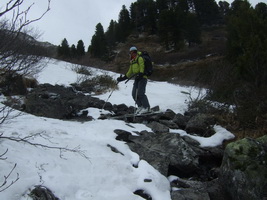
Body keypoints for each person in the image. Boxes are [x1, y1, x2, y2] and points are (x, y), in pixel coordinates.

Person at [117, 46, 150, 114]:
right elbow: (129, 72)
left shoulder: (140, 58)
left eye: (133, 52)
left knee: (141, 93)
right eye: (131, 52)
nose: (132, 54)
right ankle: (140, 106)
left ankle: (146, 107)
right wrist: (122, 78)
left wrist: (140, 74)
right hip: (137, 78)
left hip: (143, 78)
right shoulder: (132, 61)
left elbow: (142, 67)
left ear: (135, 52)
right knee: (134, 94)